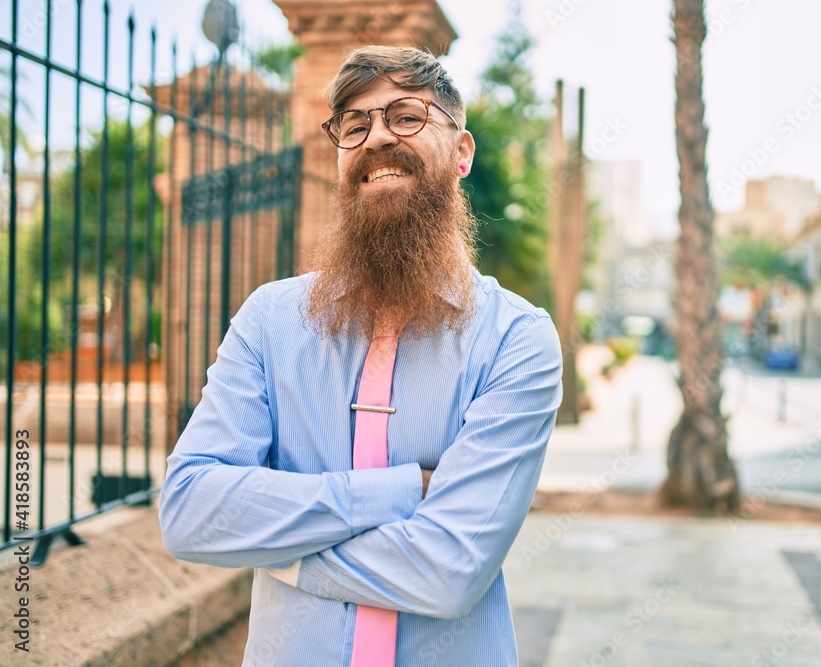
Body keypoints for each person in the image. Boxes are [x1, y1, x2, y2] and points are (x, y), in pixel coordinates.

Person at [158, 45, 563, 667]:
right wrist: (399, 492)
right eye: (354, 125)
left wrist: (278, 551)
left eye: (406, 116)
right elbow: (189, 510)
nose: (376, 137)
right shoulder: (270, 320)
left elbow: (448, 571)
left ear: (461, 153)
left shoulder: (517, 339)